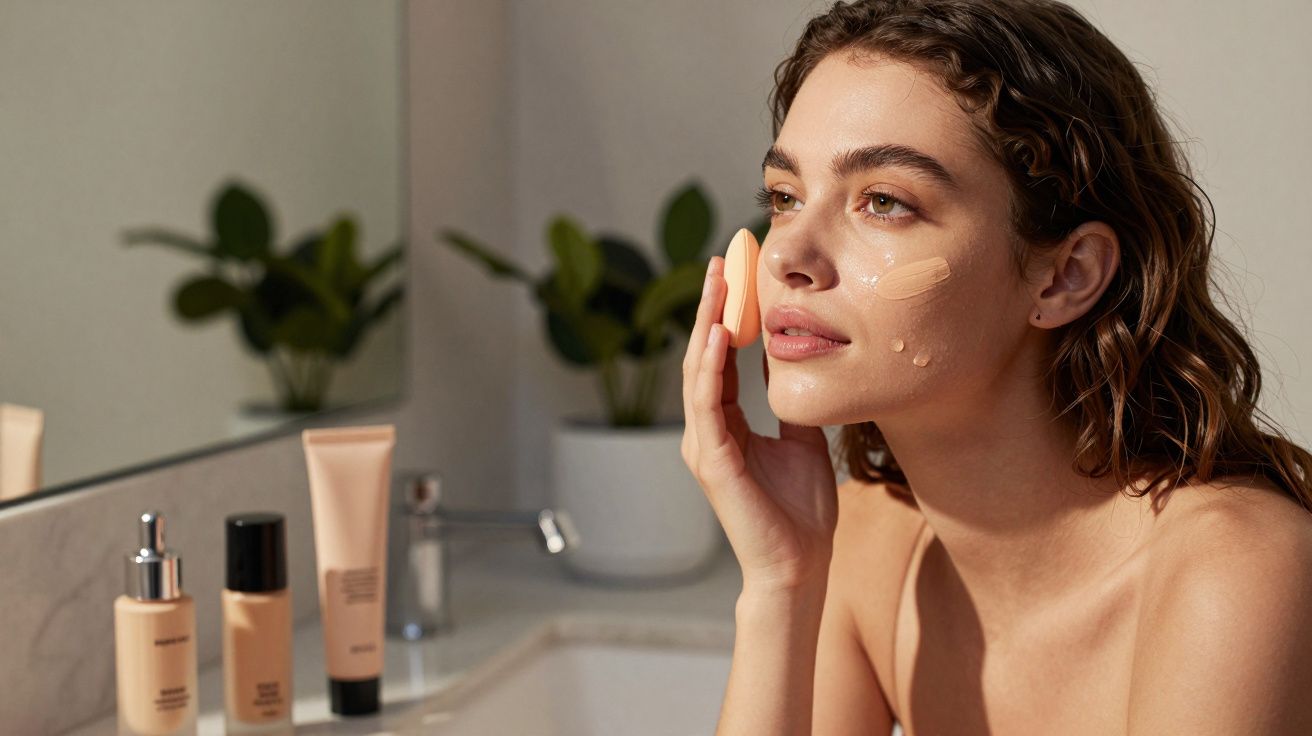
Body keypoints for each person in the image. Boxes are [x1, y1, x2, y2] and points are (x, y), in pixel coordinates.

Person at [680, 1, 1312, 733]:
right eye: (784, 197)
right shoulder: (864, 546)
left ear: (1066, 276)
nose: (786, 255)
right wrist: (780, 586)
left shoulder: (1235, 569)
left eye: (883, 201)